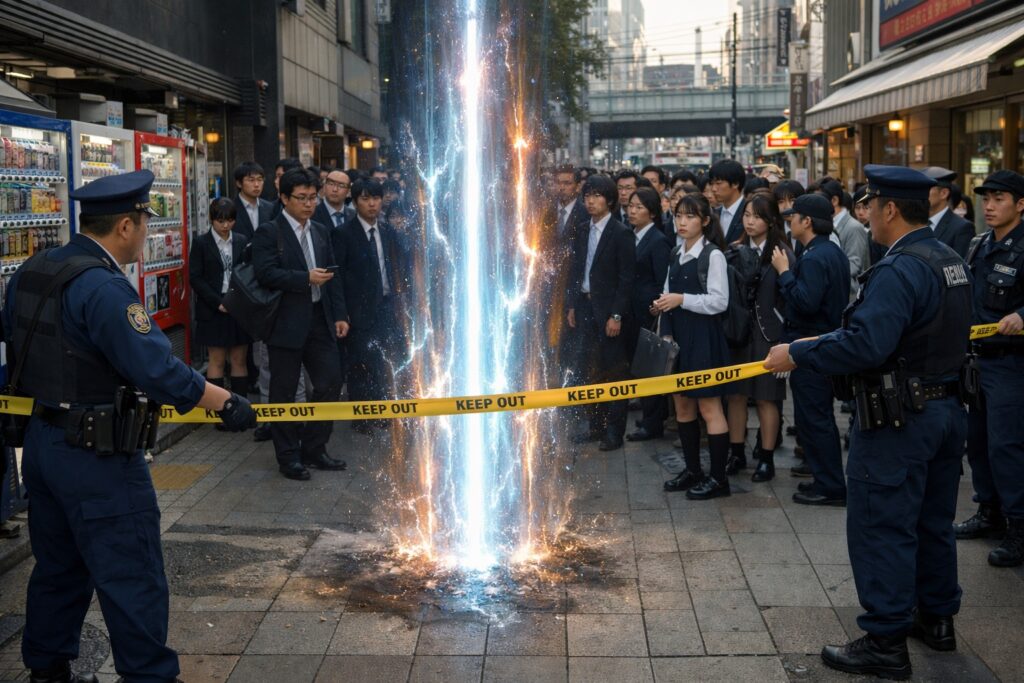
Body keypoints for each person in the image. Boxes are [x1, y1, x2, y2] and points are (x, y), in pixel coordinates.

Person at [4, 170, 256, 683]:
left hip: (43, 447)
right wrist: (223, 402)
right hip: (97, 455)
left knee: (58, 569)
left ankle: (46, 671)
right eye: (144, 221)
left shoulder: (34, 268)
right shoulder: (101, 287)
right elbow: (157, 369)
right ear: (125, 225)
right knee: (131, 574)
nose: (145, 232)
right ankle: (148, 676)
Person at [765, 165, 973, 680]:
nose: (866, 214)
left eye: (870, 205)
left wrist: (799, 352)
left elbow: (866, 342)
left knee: (882, 525)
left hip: (899, 419)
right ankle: (937, 619)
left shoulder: (901, 268)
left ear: (891, 210)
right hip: (945, 410)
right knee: (932, 522)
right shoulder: (949, 259)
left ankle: (885, 640)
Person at [253, 168, 349, 480]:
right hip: (285, 322)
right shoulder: (270, 231)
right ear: (284, 198)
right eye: (301, 198)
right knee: (283, 391)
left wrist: (339, 315)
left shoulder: (320, 230)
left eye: (312, 198)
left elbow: (333, 276)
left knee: (330, 381)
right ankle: (288, 456)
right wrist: (304, 278)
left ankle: (315, 447)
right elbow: (265, 274)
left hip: (320, 320)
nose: (308, 204)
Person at [954, 170, 1024, 566]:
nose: (991, 205)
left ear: (1020, 204)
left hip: (1012, 364)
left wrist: (1021, 314)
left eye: (999, 198)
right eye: (987, 198)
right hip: (978, 362)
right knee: (977, 443)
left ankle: (1019, 528)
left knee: (1007, 448)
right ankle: (989, 511)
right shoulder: (980, 245)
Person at [774, 193, 850, 505]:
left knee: (815, 418)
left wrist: (784, 273)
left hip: (812, 345)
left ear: (807, 221)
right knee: (815, 417)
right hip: (821, 343)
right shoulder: (828, 251)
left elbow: (806, 302)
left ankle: (830, 486)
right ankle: (824, 479)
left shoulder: (817, 256)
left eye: (794, 216)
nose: (789, 220)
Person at [657, 193, 732, 499]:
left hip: (704, 338)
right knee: (683, 405)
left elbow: (719, 301)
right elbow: (666, 293)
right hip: (679, 339)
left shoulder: (713, 255)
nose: (682, 222)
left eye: (689, 216)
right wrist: (666, 330)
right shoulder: (676, 252)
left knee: (709, 406)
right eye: (678, 216)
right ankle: (693, 470)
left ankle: (718, 479)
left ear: (705, 221)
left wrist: (681, 300)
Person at [725, 193, 794, 482]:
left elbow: (791, 300)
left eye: (757, 216)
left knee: (767, 399)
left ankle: (766, 457)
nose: (750, 221)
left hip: (770, 336)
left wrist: (786, 342)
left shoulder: (782, 253)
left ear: (770, 221)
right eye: (747, 215)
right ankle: (736, 451)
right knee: (736, 396)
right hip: (739, 334)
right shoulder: (734, 250)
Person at [567, 174, 635, 451]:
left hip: (608, 312)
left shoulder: (621, 233)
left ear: (609, 199)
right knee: (588, 369)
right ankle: (594, 426)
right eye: (587, 196)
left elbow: (627, 279)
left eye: (596, 196)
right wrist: (572, 304)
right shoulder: (583, 229)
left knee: (614, 372)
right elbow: (576, 269)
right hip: (584, 307)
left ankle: (614, 432)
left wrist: (616, 315)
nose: (590, 201)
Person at [333, 178, 403, 434]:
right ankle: (362, 416)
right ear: (354, 202)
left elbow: (397, 268)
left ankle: (381, 410)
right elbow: (337, 277)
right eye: (365, 198)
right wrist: (342, 313)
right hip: (358, 311)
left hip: (385, 306)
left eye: (376, 198)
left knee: (382, 361)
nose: (372, 204)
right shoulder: (343, 234)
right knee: (359, 363)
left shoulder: (388, 232)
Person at [189, 198, 251, 402]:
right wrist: (217, 302)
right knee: (216, 360)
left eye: (230, 221)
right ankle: (218, 411)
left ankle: (240, 409)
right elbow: (195, 278)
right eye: (220, 221)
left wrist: (236, 300)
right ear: (212, 220)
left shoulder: (241, 240)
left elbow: (247, 273)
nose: (225, 226)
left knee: (238, 359)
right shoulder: (201, 243)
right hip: (212, 307)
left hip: (238, 305)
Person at [623, 187, 672, 442]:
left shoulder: (658, 240)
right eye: (631, 205)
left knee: (650, 370)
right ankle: (649, 416)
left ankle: (653, 423)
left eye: (639, 207)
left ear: (652, 212)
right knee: (639, 368)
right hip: (631, 313)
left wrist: (656, 304)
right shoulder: (630, 235)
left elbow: (661, 278)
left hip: (650, 313)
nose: (632, 210)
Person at [820, 178, 869, 298]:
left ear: (834, 200)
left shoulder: (853, 227)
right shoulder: (828, 223)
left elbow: (854, 264)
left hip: (848, 295)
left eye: (820, 200)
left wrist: (825, 275)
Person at [921, 166, 975, 258]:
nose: (921, 194)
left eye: (926, 189)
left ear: (944, 193)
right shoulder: (916, 222)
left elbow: (960, 266)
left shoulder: (961, 227)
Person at [231, 161, 275, 243]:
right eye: (251, 180)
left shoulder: (270, 208)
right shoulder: (231, 208)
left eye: (260, 179)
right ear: (239, 183)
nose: (256, 184)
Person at [708, 159, 747, 243]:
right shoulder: (713, 214)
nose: (713, 189)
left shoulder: (749, 212)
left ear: (735, 184)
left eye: (718, 183)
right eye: (712, 183)